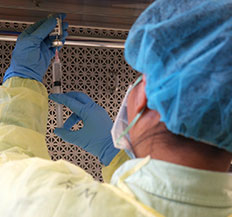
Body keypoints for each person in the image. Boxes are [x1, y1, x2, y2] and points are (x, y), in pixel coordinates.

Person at [0, 0, 232, 216]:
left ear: (143, 99)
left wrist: (22, 79)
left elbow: (7, 170)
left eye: (144, 76)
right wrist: (115, 156)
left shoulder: (59, 204)